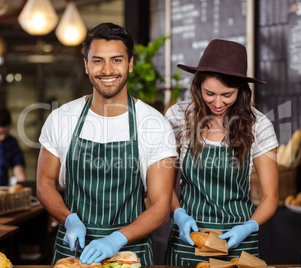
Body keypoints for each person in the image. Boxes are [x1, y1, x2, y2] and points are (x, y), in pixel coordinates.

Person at [36, 22, 177, 265]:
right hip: (73, 253)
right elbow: (44, 183)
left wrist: (117, 238)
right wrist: (69, 219)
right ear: (86, 65)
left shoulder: (154, 124)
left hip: (130, 254)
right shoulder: (62, 119)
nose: (107, 69)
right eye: (98, 60)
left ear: (130, 64)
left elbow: (162, 206)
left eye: (117, 60)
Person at [165, 39, 279, 263]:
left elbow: (271, 197)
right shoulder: (179, 117)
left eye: (227, 95)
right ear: (197, 86)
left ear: (242, 90)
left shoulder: (259, 125)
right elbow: (164, 186)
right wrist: (178, 214)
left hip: (238, 244)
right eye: (209, 93)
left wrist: (248, 227)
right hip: (188, 240)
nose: (217, 103)